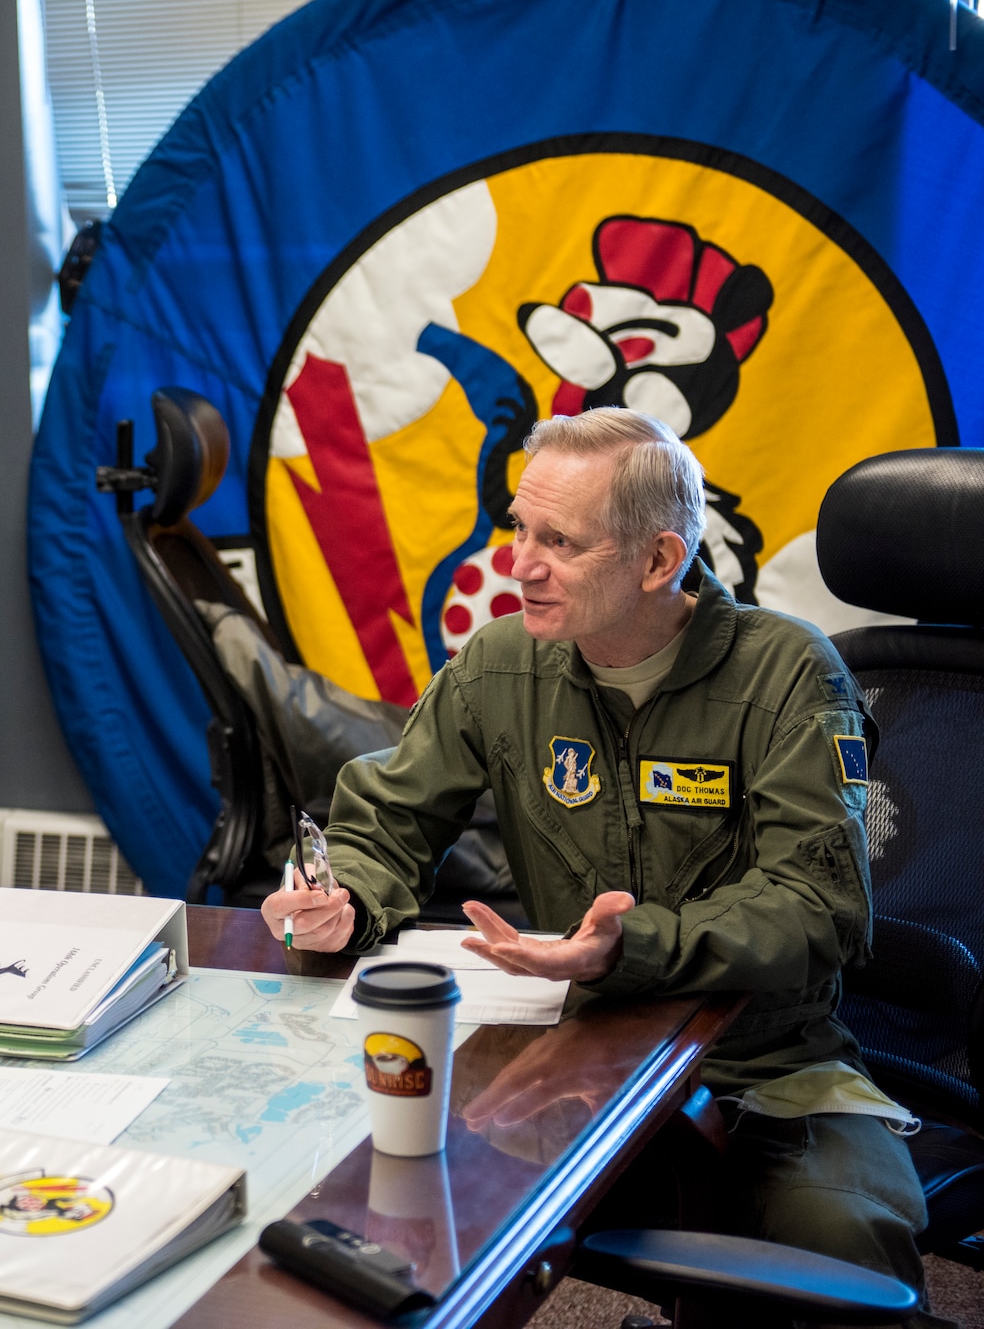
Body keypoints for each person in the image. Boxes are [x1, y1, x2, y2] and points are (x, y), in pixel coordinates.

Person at [261, 408, 942, 1322]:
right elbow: (389, 818)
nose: (521, 564)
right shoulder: (501, 665)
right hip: (577, 1064)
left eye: (561, 542)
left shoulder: (786, 674)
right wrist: (345, 895)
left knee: (844, 1245)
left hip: (769, 1071)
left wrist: (632, 946)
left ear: (658, 562)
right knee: (369, 1207)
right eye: (519, 529)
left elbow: (819, 905)